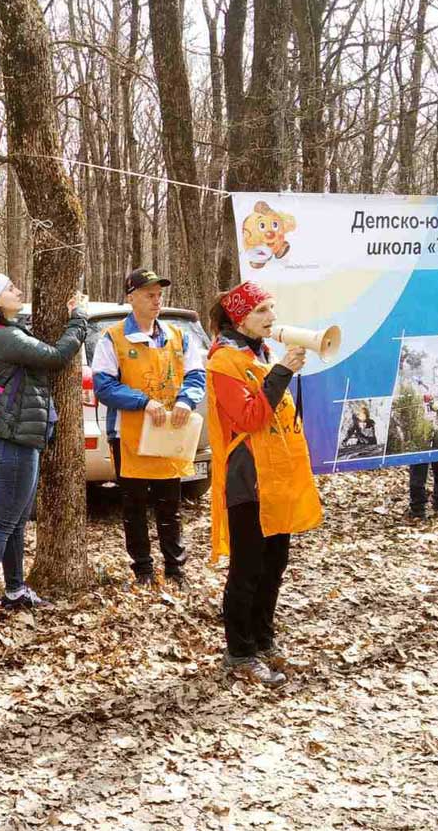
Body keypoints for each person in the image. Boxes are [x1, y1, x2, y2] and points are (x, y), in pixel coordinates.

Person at [205, 281, 322, 688]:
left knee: (274, 564)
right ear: (239, 318)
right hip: (247, 480)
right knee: (248, 568)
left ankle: (263, 639)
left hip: (276, 476)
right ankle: (239, 652)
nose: (272, 318)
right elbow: (251, 417)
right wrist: (284, 371)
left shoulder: (261, 352)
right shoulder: (223, 362)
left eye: (272, 309)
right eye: (262, 312)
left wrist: (281, 368)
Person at [0, 272, 88, 620]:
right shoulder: (4, 337)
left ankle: (15, 591)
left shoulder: (9, 332)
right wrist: (78, 320)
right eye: (10, 288)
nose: (18, 291)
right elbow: (56, 356)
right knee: (2, 523)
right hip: (13, 440)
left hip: (20, 438)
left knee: (15, 523)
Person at [93, 269, 204, 586]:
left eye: (158, 294)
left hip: (169, 432)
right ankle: (142, 569)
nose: (156, 300)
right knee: (134, 506)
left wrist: (185, 401)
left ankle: (175, 568)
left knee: (171, 504)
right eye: (148, 294)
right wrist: (143, 402)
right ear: (131, 298)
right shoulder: (112, 338)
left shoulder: (178, 336)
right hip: (128, 434)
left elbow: (196, 375)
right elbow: (104, 386)